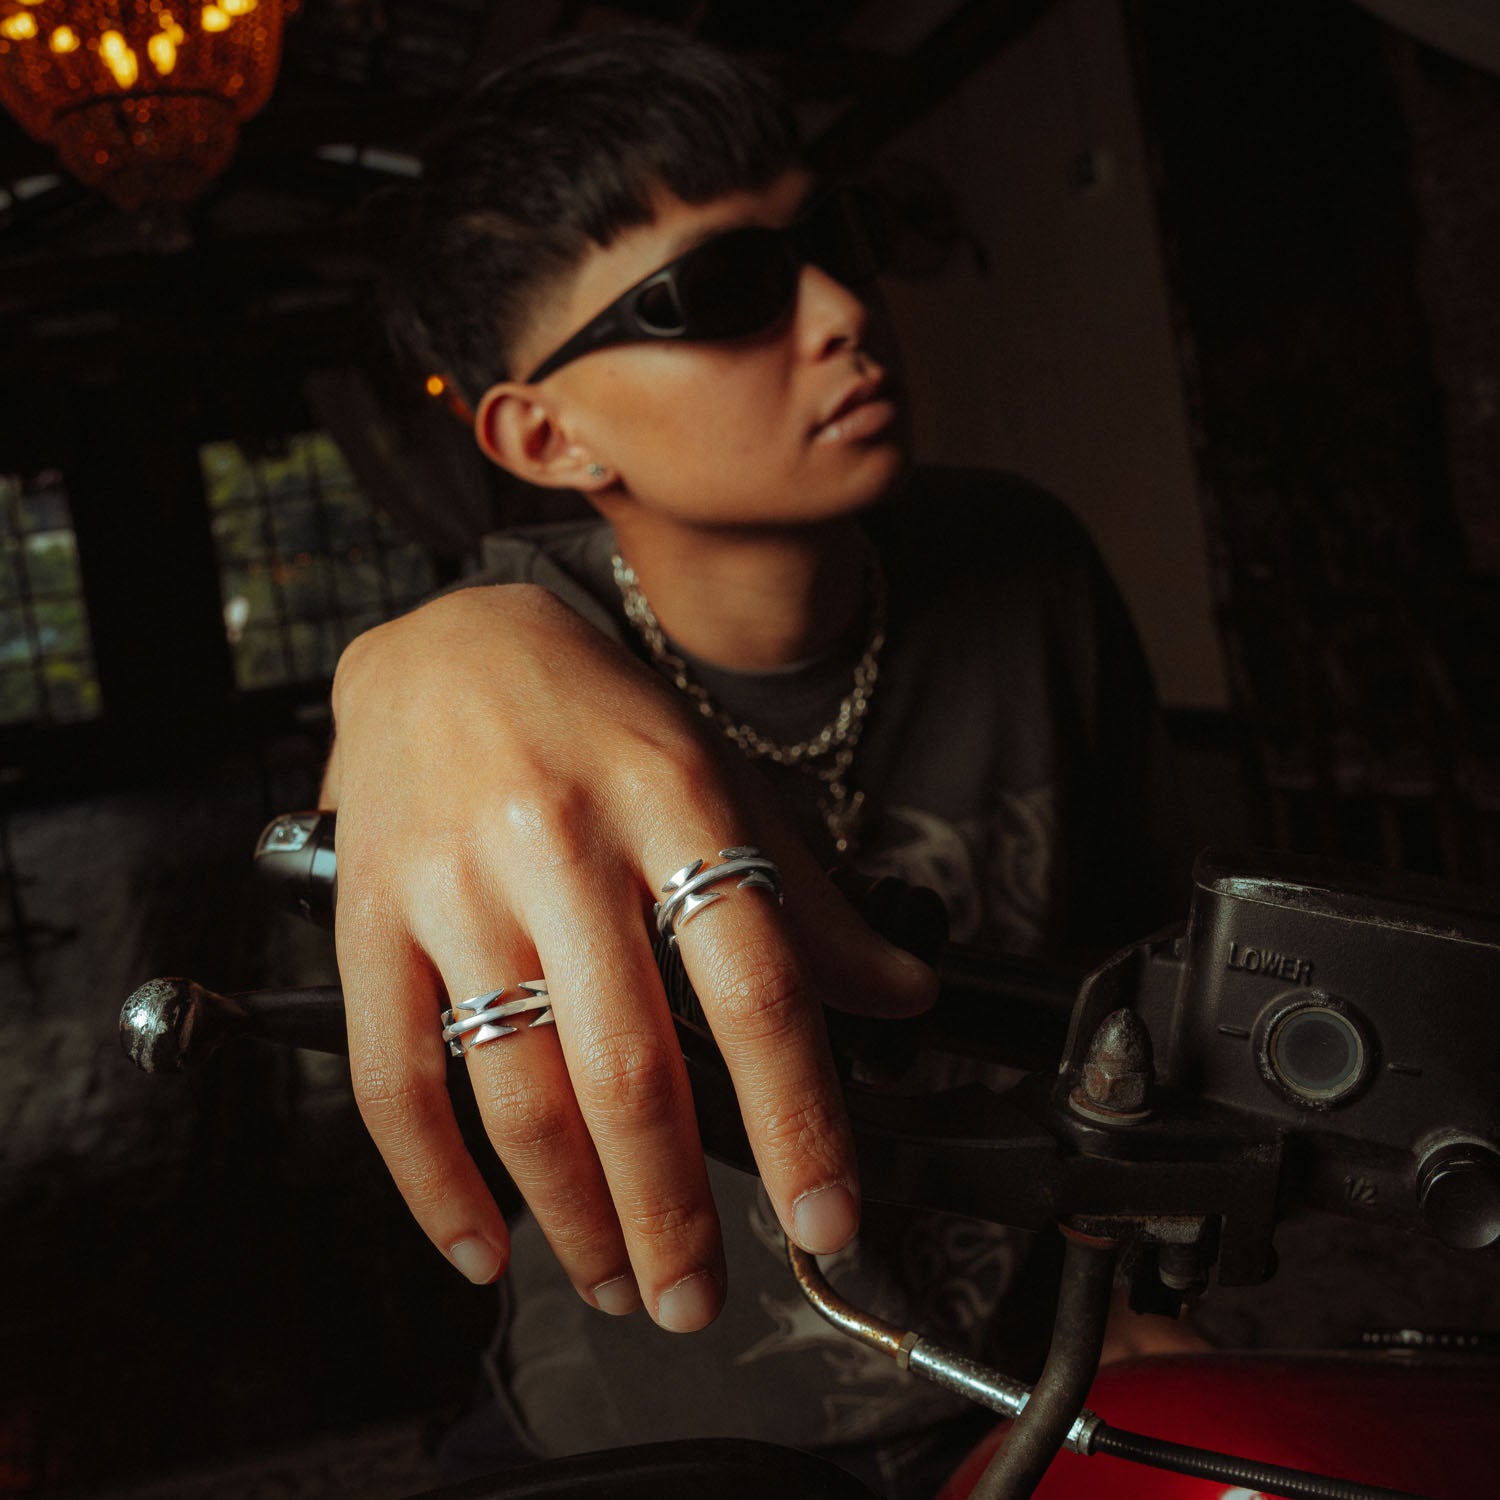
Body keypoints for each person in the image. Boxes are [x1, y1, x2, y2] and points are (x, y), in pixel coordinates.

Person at [323, 28, 1194, 1497]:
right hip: (648, 1430)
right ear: (545, 434)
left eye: (832, 240)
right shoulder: (489, 667)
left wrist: (1138, 1296)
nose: (846, 312)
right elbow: (398, 779)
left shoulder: (1024, 559)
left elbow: (1149, 980)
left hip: (1023, 1387)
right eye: (719, 293)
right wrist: (410, 662)